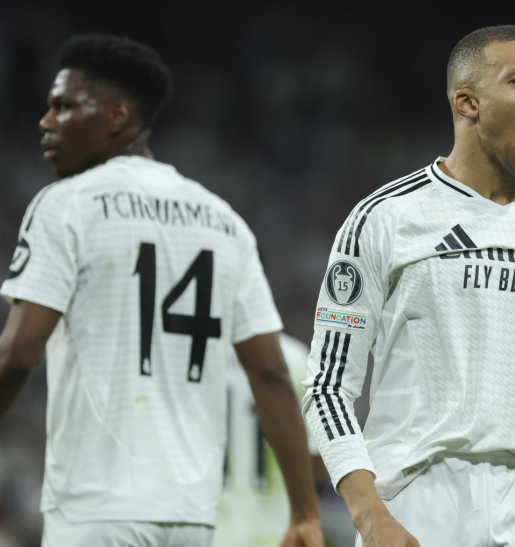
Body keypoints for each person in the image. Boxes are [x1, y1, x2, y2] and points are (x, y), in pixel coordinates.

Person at [301, 25, 515, 546]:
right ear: (468, 103)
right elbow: (328, 386)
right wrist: (369, 514)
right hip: (420, 501)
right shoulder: (385, 218)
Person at [0, 33, 323, 547]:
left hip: (98, 509)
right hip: (192, 519)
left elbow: (18, 355)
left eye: (63, 106)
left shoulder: (66, 204)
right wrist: (305, 512)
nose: (46, 121)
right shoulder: (223, 221)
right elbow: (270, 372)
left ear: (118, 117)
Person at [215, 332, 332, 546]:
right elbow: (316, 469)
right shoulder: (293, 357)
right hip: (276, 532)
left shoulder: (200, 353)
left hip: (204, 530)